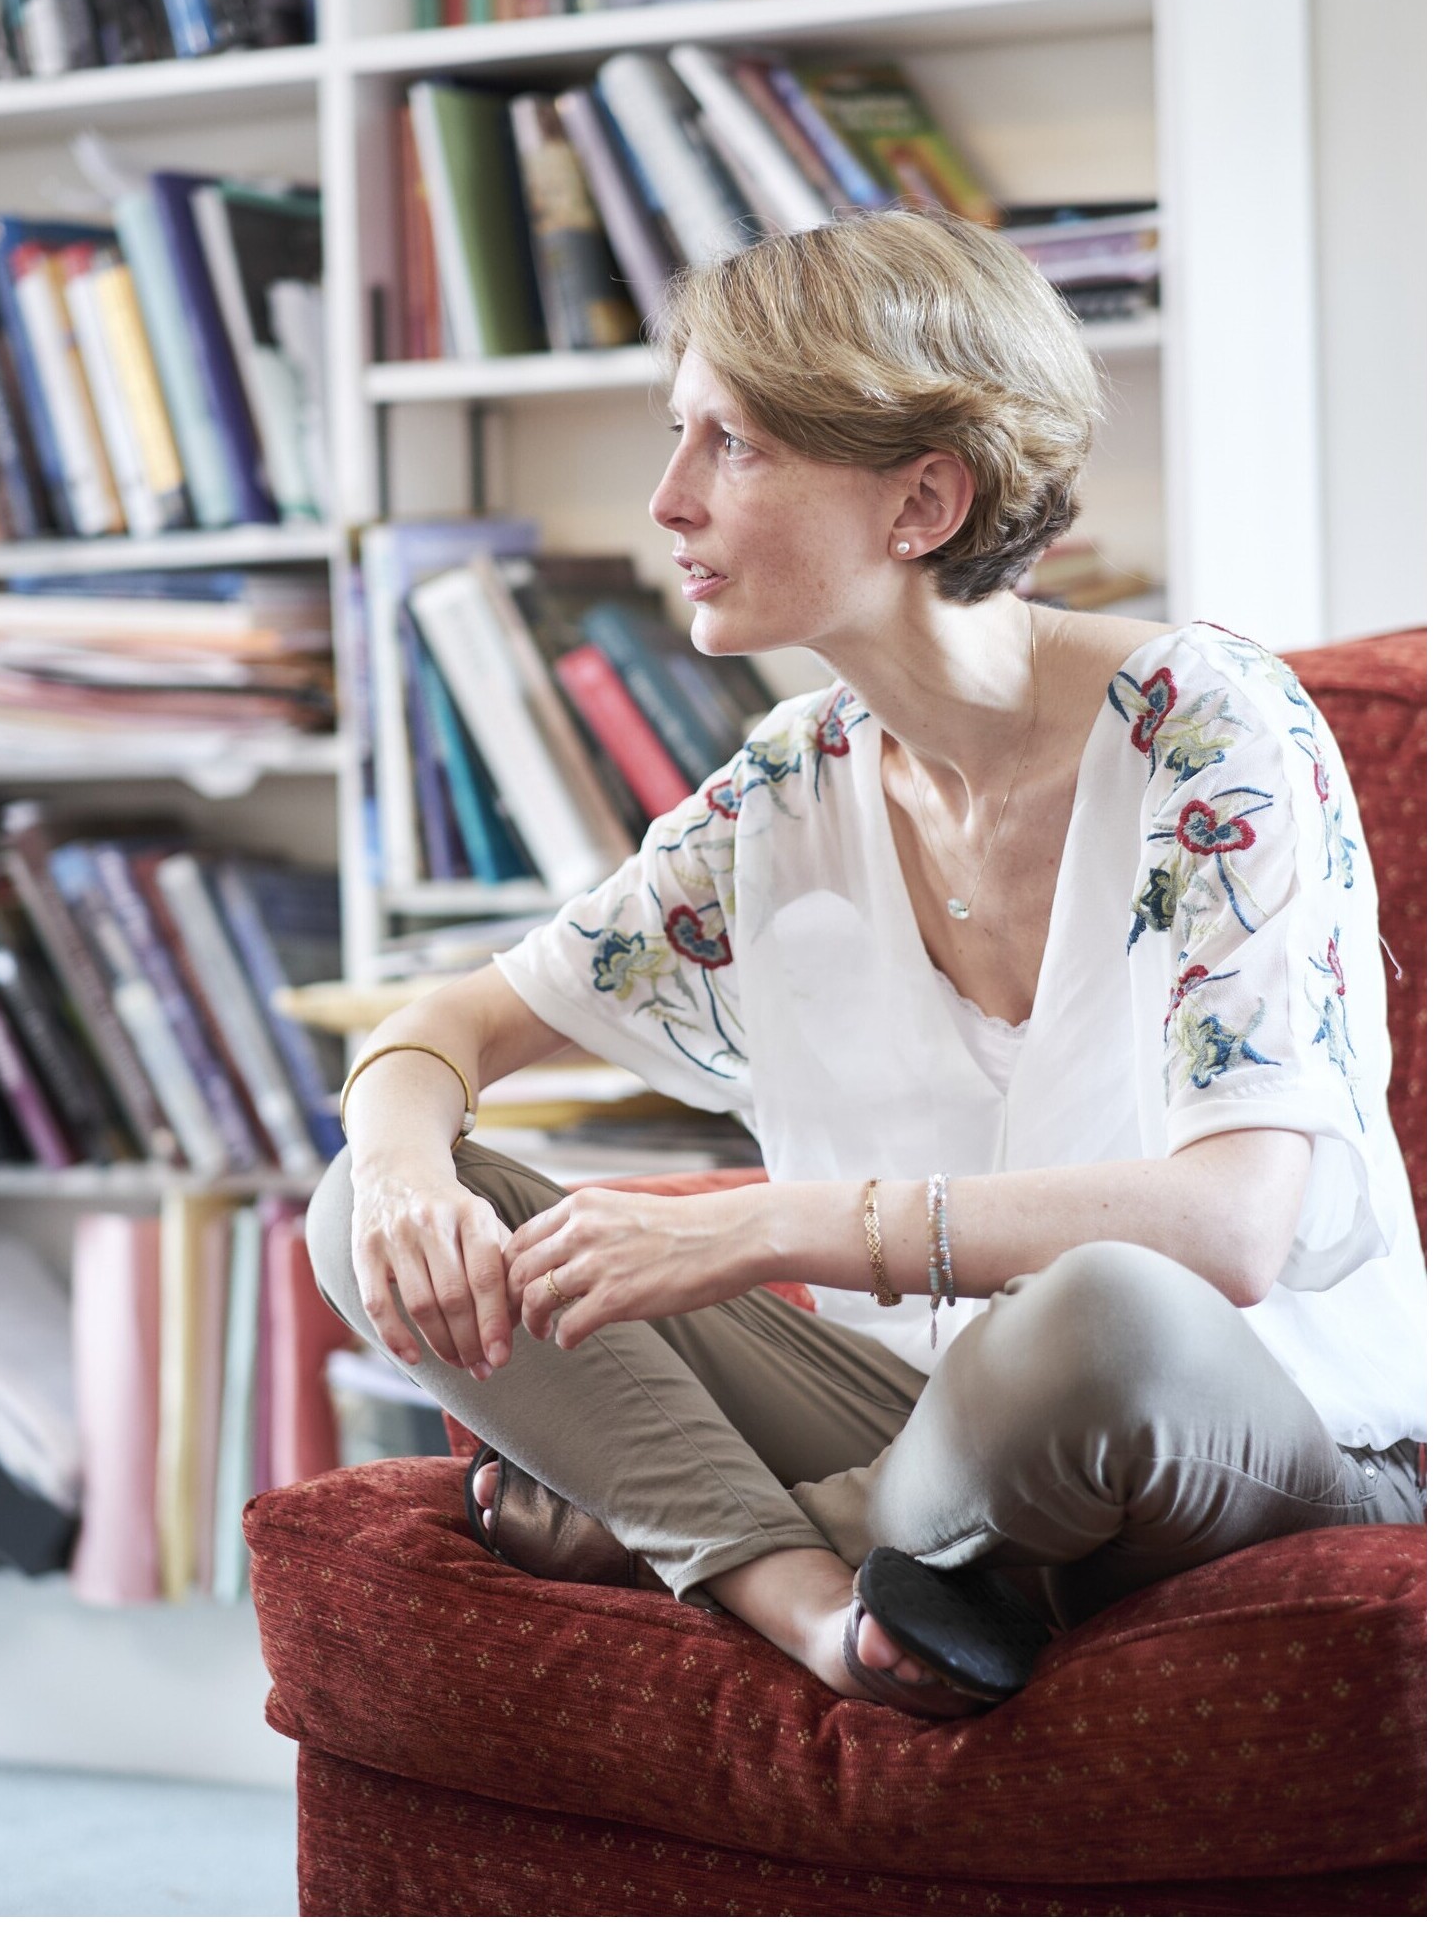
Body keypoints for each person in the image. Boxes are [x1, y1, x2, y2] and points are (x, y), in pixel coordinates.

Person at [308, 210, 1426, 1717]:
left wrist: (765, 1231)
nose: (668, 501)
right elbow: (446, 1028)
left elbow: (1225, 1231)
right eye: (675, 436)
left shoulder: (1204, 730)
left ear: (922, 501)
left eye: (735, 447)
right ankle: (824, 1609)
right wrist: (395, 1174)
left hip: (1248, 1421)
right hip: (927, 1413)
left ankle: (713, 1529)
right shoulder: (790, 784)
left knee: (1099, 1315)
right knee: (362, 1220)